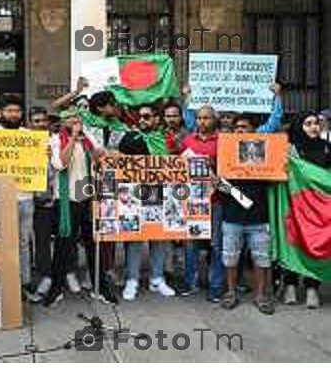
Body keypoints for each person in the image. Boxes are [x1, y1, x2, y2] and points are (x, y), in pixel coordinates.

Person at [44, 108, 116, 305]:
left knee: (93, 245)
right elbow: (61, 164)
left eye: (78, 118)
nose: (76, 121)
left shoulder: (89, 138)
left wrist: (98, 153)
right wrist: (73, 138)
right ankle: (56, 289)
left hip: (88, 197)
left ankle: (100, 287)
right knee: (63, 246)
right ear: (63, 121)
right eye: (71, 119)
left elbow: (99, 159)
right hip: (67, 200)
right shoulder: (56, 140)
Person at [118, 104, 176, 301]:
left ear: (156, 119)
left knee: (158, 237)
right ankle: (132, 279)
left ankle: (157, 278)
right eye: (139, 116)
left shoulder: (165, 139)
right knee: (135, 237)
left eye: (146, 116)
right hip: (133, 194)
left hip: (158, 191)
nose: (141, 120)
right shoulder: (129, 137)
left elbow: (175, 163)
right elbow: (117, 162)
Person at [219, 115, 275, 314]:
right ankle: (231, 293)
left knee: (262, 259)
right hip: (232, 216)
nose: (239, 130)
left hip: (259, 217)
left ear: (253, 130)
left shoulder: (266, 152)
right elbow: (218, 182)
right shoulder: (224, 152)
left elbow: (274, 178)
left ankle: (260, 296)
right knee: (230, 258)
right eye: (236, 128)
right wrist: (223, 185)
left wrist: (282, 166)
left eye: (244, 127)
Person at [282, 111, 331, 308]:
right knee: (293, 242)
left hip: (319, 208)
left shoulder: (327, 148)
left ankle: (312, 288)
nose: (314, 127)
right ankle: (290, 286)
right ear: (298, 127)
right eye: (308, 123)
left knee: (316, 244)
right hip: (295, 204)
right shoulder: (290, 149)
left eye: (316, 123)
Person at [179, 105, 224, 302]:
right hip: (193, 199)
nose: (202, 122)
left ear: (214, 120)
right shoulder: (187, 140)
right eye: (199, 118)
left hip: (216, 200)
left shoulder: (224, 141)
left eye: (206, 118)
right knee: (191, 243)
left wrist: (213, 166)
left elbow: (230, 168)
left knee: (216, 244)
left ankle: (215, 287)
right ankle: (190, 282)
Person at [0, 95, 35, 288]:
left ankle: (24, 281)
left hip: (25, 197)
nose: (13, 114)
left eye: (16, 111)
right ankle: (3, 283)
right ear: (1, 112)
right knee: (0, 241)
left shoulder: (29, 135)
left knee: (23, 242)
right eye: (9, 111)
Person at [26, 106, 55, 301]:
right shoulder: (21, 141)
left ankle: (49, 276)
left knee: (46, 240)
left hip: (50, 198)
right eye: (36, 121)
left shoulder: (55, 141)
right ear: (29, 123)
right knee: (28, 241)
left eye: (43, 120)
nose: (40, 124)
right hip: (27, 197)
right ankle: (30, 278)